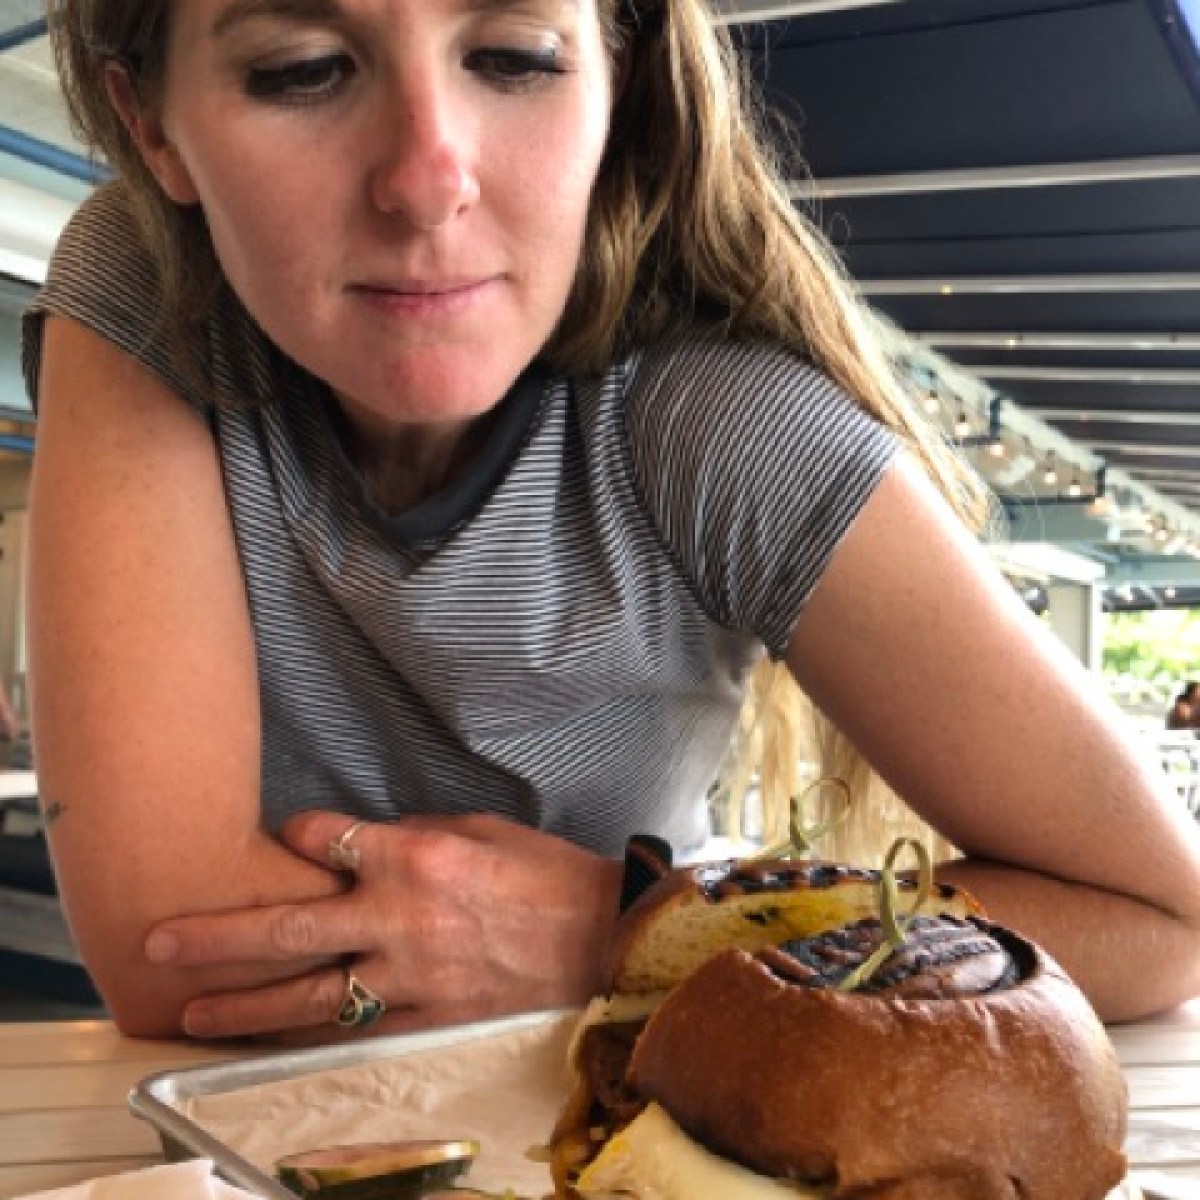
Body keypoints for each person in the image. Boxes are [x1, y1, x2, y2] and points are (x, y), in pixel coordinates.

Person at [23, 0, 1200, 1045]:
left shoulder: (718, 424)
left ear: (618, 77)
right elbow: (168, 950)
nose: (429, 176)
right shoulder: (145, 286)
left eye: (514, 56)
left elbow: (1160, 918)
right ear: (153, 126)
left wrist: (619, 934)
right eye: (300, 68)